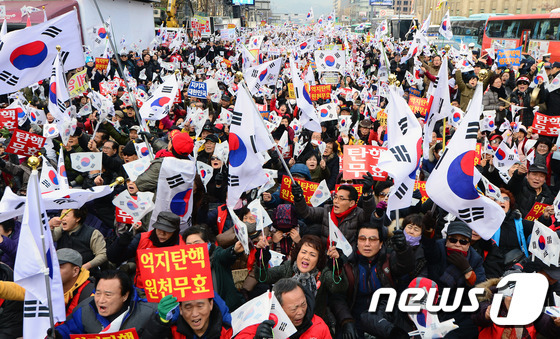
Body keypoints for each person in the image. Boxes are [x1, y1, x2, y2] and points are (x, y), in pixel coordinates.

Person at [329, 223, 414, 338]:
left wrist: (403, 250)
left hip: (385, 318)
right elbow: (338, 297)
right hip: (354, 319)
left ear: (381, 244)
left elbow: (404, 266)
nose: (367, 244)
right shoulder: (346, 262)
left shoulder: (389, 259)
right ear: (357, 242)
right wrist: (346, 321)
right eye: (362, 239)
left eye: (373, 239)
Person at [51, 270, 156, 338]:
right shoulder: (85, 309)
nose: (101, 300)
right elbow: (69, 330)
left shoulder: (148, 312)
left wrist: (161, 322)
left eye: (108, 295)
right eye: (98, 293)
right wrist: (57, 335)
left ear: (125, 296)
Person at [107, 211, 186, 292]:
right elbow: (113, 258)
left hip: (170, 291)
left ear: (175, 232)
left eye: (167, 230)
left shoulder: (183, 247)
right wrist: (119, 244)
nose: (162, 233)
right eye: (159, 229)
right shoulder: (142, 239)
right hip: (142, 290)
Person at [293, 175, 376, 246]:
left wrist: (368, 194)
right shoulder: (327, 210)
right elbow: (306, 213)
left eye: (341, 199)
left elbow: (370, 217)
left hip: (347, 259)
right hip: (327, 256)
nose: (336, 201)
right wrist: (299, 198)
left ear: (351, 203)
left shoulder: (358, 213)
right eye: (335, 197)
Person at [236, 278, 332, 339]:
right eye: (294, 309)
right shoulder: (260, 321)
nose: (301, 312)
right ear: (278, 307)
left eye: (303, 304)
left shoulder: (318, 325)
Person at [142, 295, 233, 339]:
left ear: (210, 304)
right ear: (180, 309)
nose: (194, 314)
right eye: (188, 307)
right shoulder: (173, 333)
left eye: (200, 306)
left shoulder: (228, 333)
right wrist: (160, 321)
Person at [57, 248, 95, 316]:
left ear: (75, 271)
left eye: (59, 267)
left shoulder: (90, 295)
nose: (53, 271)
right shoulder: (44, 289)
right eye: (52, 266)